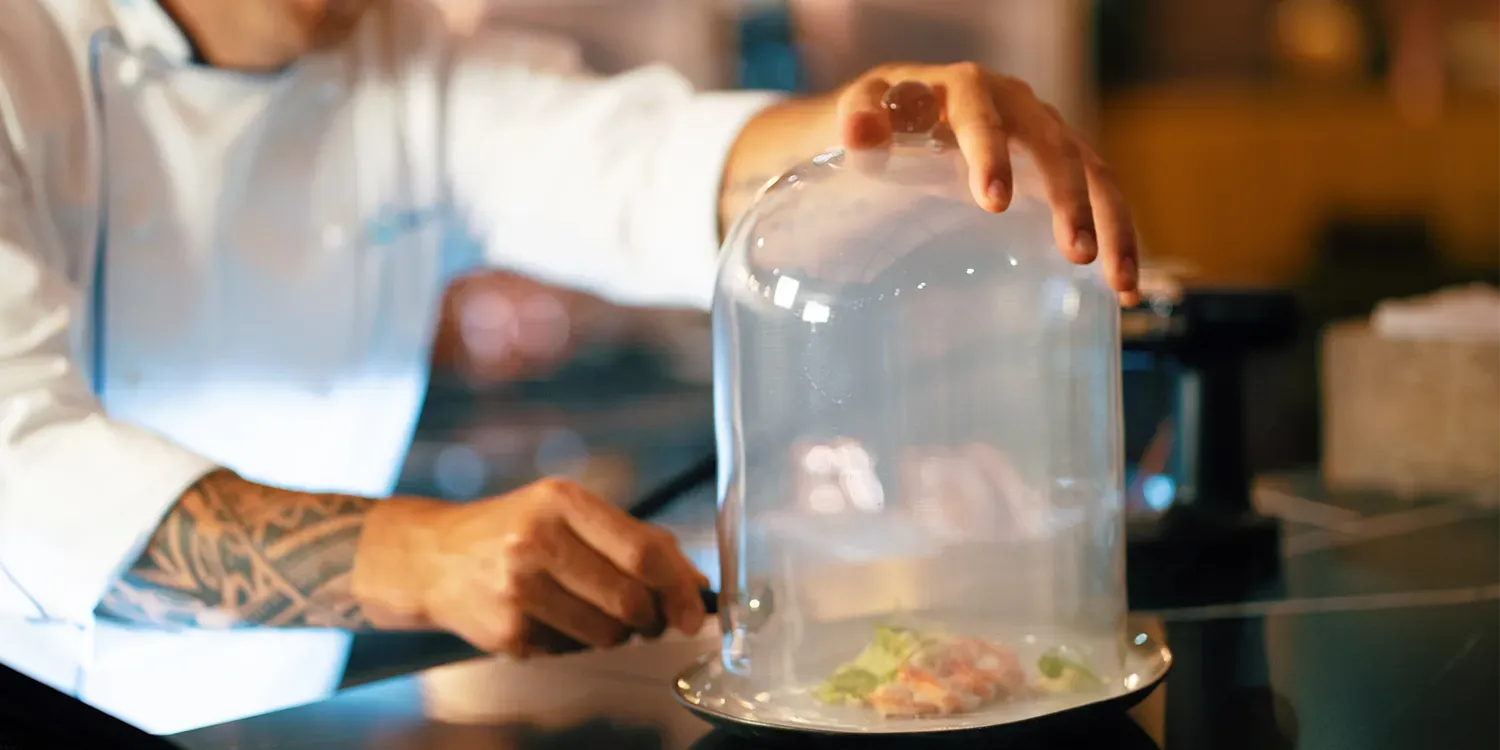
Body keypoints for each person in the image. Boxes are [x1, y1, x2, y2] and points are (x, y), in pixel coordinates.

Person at [0, 0, 1141, 735]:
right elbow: (23, 471)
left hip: (285, 711)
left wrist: (879, 130)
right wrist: (427, 553)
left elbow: (656, 165)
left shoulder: (407, 67)